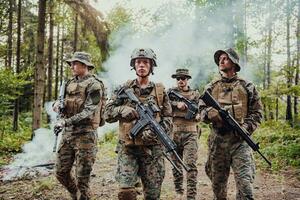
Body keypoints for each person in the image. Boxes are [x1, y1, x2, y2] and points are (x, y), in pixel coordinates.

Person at [104, 48, 172, 200]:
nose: (141, 65)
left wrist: (156, 131)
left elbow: (168, 119)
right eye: (138, 62)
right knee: (125, 192)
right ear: (133, 65)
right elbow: (106, 114)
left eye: (145, 62)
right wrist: (122, 109)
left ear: (151, 66)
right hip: (128, 148)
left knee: (152, 195)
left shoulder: (160, 91)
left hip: (152, 151)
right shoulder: (124, 89)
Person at [199, 48, 263, 200]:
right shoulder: (211, 87)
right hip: (218, 142)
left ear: (234, 63)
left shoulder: (247, 86)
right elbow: (200, 110)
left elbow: (257, 113)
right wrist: (209, 114)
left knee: (245, 186)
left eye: (225, 58)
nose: (221, 60)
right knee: (218, 187)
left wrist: (246, 127)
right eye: (220, 58)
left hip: (240, 142)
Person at [53, 51, 105, 200]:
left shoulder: (94, 85)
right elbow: (61, 101)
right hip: (68, 134)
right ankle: (74, 193)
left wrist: (66, 121)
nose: (72, 66)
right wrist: (57, 105)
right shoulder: (69, 83)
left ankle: (83, 196)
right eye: (71, 63)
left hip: (86, 135)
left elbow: (89, 111)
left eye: (75, 63)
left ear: (85, 65)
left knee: (83, 179)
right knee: (60, 172)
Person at [167, 68, 201, 200]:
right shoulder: (170, 93)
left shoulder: (195, 94)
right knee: (176, 165)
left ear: (187, 79)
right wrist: (176, 104)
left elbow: (202, 109)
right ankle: (179, 192)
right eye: (178, 78)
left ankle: (191, 196)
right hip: (174, 133)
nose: (180, 81)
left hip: (191, 133)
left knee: (190, 165)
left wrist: (199, 115)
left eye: (183, 78)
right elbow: (163, 105)